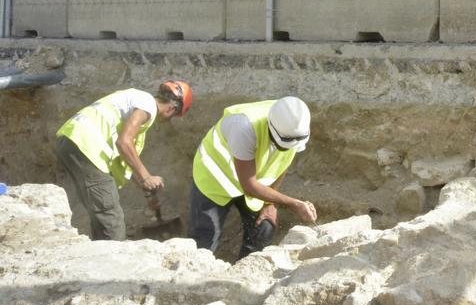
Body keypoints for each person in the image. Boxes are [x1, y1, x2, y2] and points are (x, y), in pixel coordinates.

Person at [55, 81, 193, 240]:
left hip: (72, 142)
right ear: (171, 108)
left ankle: (101, 254)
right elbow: (124, 143)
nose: (170, 119)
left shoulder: (135, 100)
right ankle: (113, 259)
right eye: (175, 115)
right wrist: (146, 177)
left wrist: (147, 191)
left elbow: (124, 158)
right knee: (110, 216)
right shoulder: (147, 107)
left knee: (100, 212)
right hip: (86, 146)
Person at [189, 96, 318, 258]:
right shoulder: (243, 127)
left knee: (264, 228)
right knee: (204, 239)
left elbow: (281, 163)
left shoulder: (292, 123)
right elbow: (249, 186)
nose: (286, 149)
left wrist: (269, 203)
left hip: (253, 185)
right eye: (282, 145)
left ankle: (246, 271)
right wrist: (295, 203)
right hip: (214, 180)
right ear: (272, 129)